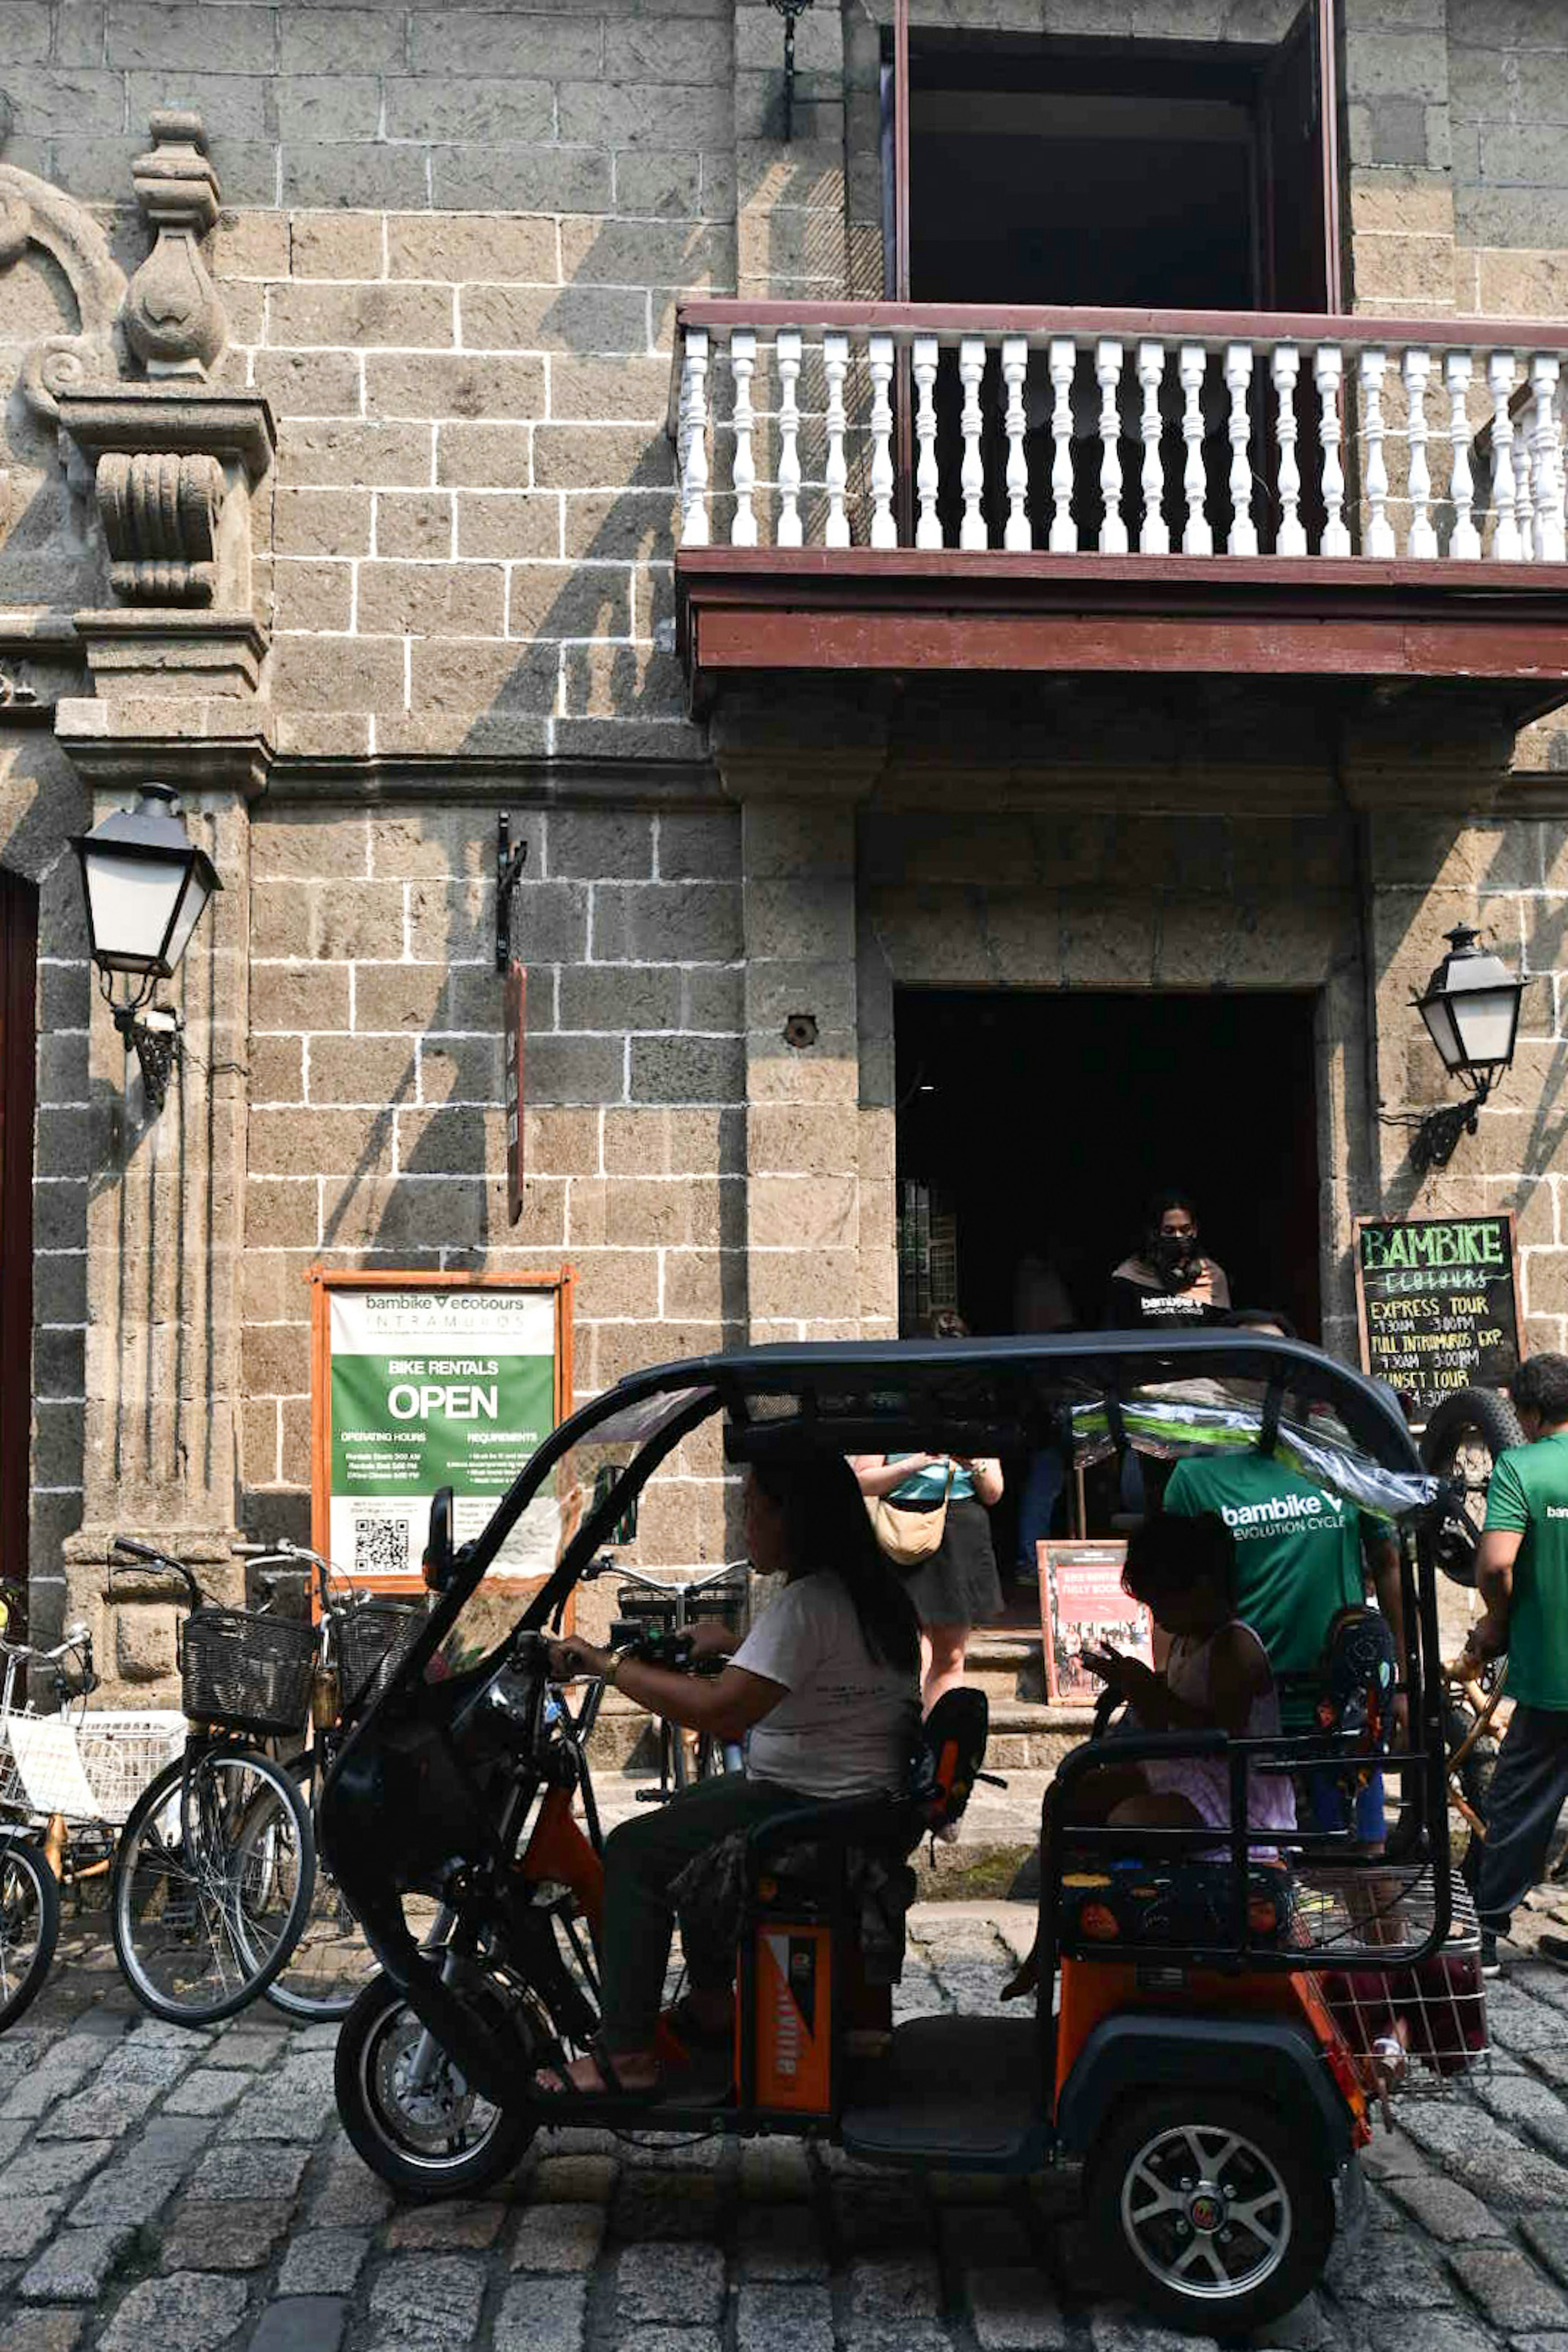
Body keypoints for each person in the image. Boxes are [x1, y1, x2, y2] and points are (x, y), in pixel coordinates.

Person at [537, 1456, 921, 2097]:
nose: (744, 1524)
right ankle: (713, 2003)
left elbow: (722, 1710)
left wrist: (604, 1666)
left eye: (753, 1508)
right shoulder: (866, 1593)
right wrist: (734, 1644)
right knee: (693, 1810)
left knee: (636, 1851)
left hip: (813, 1808)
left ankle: (627, 2055)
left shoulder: (809, 1602)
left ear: (793, 1519)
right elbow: (819, 1675)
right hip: (850, 1800)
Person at [1001, 1510, 1295, 2005]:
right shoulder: (1187, 1641)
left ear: (1201, 1587)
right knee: (1066, 1797)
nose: (1156, 1616)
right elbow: (1176, 1701)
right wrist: (1135, 1682)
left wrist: (1147, 1693)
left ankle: (1113, 1920)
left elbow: (1215, 1733)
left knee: (1126, 1818)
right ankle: (1050, 1930)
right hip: (1183, 1774)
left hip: (1232, 1795)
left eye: (1163, 1601)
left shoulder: (1235, 1647)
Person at [1162, 1310, 1407, 1846]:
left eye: (1277, 1363)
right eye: (1249, 1363)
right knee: (1262, 1879)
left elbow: (1388, 1565)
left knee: (1365, 1866)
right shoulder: (1195, 1476)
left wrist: (1404, 1681)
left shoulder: (1338, 1460)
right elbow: (1170, 1602)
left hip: (1340, 1709)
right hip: (1245, 1720)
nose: (1263, 1377)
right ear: (1226, 1375)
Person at [1459, 1352, 1568, 1976]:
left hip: (1553, 1677)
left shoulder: (1521, 1468)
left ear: (1526, 1414)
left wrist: (1496, 1622)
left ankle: (1488, 1934)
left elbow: (1497, 1562)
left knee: (1518, 1806)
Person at [852, 1310, 1004, 1711]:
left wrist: (974, 1462)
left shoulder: (973, 1411)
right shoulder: (890, 1407)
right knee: (908, 1650)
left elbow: (993, 1492)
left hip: (960, 1529)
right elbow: (863, 1480)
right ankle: (905, 1742)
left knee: (952, 1654)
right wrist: (915, 1463)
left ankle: (941, 1749)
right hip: (902, 1528)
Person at [1012, 1239, 1075, 1584]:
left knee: (1045, 1477)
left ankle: (1031, 1556)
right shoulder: (1043, 1283)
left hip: (1037, 1392)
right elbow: (1058, 1340)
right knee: (1047, 1478)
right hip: (1050, 1395)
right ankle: (1032, 1558)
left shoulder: (1028, 1281)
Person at [1106, 1188, 1231, 1329]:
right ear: (1154, 1233)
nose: (1178, 1236)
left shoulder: (1212, 1277)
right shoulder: (1128, 1278)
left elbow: (1222, 1331)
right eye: (1169, 1231)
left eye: (1185, 1230)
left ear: (1195, 1230)